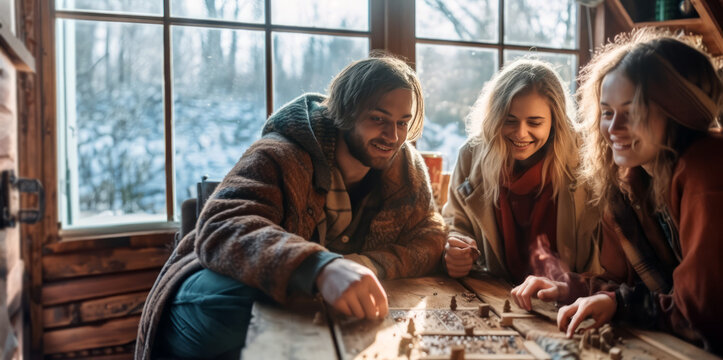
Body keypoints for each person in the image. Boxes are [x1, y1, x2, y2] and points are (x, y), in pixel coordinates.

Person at [135, 54, 447, 359]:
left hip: (307, 305)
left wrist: (367, 263)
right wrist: (320, 267)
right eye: (378, 119)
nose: (392, 136)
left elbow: (430, 235)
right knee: (268, 304)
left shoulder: (407, 167)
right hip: (215, 286)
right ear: (346, 113)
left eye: (402, 122)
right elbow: (221, 225)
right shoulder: (279, 153)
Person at [509, 29, 723, 354]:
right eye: (607, 112)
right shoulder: (627, 185)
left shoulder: (707, 170)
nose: (613, 128)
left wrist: (619, 304)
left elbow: (701, 313)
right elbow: (625, 288)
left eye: (632, 112)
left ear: (679, 114)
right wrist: (568, 288)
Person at [442, 59, 600, 284]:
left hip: (571, 297)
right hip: (497, 293)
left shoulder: (587, 156)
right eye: (509, 121)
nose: (521, 134)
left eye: (535, 123)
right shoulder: (470, 156)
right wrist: (455, 247)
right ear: (495, 118)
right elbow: (455, 223)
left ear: (555, 121)